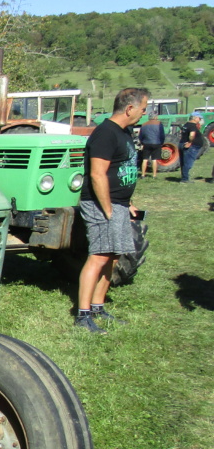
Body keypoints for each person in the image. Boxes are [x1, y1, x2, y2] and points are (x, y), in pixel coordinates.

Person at [75, 87, 147, 334]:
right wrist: (107, 209)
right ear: (129, 108)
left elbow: (121, 169)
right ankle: (83, 315)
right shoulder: (105, 133)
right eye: (143, 108)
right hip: (101, 205)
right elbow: (97, 174)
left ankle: (98, 306)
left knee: (113, 256)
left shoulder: (124, 132)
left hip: (118, 204)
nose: (144, 114)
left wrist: (127, 203)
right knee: (99, 256)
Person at [137, 112, 165, 178]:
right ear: (155, 117)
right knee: (154, 159)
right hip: (156, 143)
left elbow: (141, 135)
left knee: (145, 159)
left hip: (146, 143)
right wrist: (161, 142)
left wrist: (142, 142)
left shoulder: (144, 124)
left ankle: (143, 174)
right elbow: (162, 135)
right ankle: (154, 175)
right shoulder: (159, 124)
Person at [178, 114, 203, 183]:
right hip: (191, 146)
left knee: (183, 162)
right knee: (188, 162)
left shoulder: (186, 124)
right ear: (195, 118)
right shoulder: (192, 126)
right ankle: (185, 179)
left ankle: (184, 177)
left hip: (182, 143)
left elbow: (181, 132)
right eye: (199, 118)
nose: (200, 120)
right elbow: (192, 135)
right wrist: (190, 142)